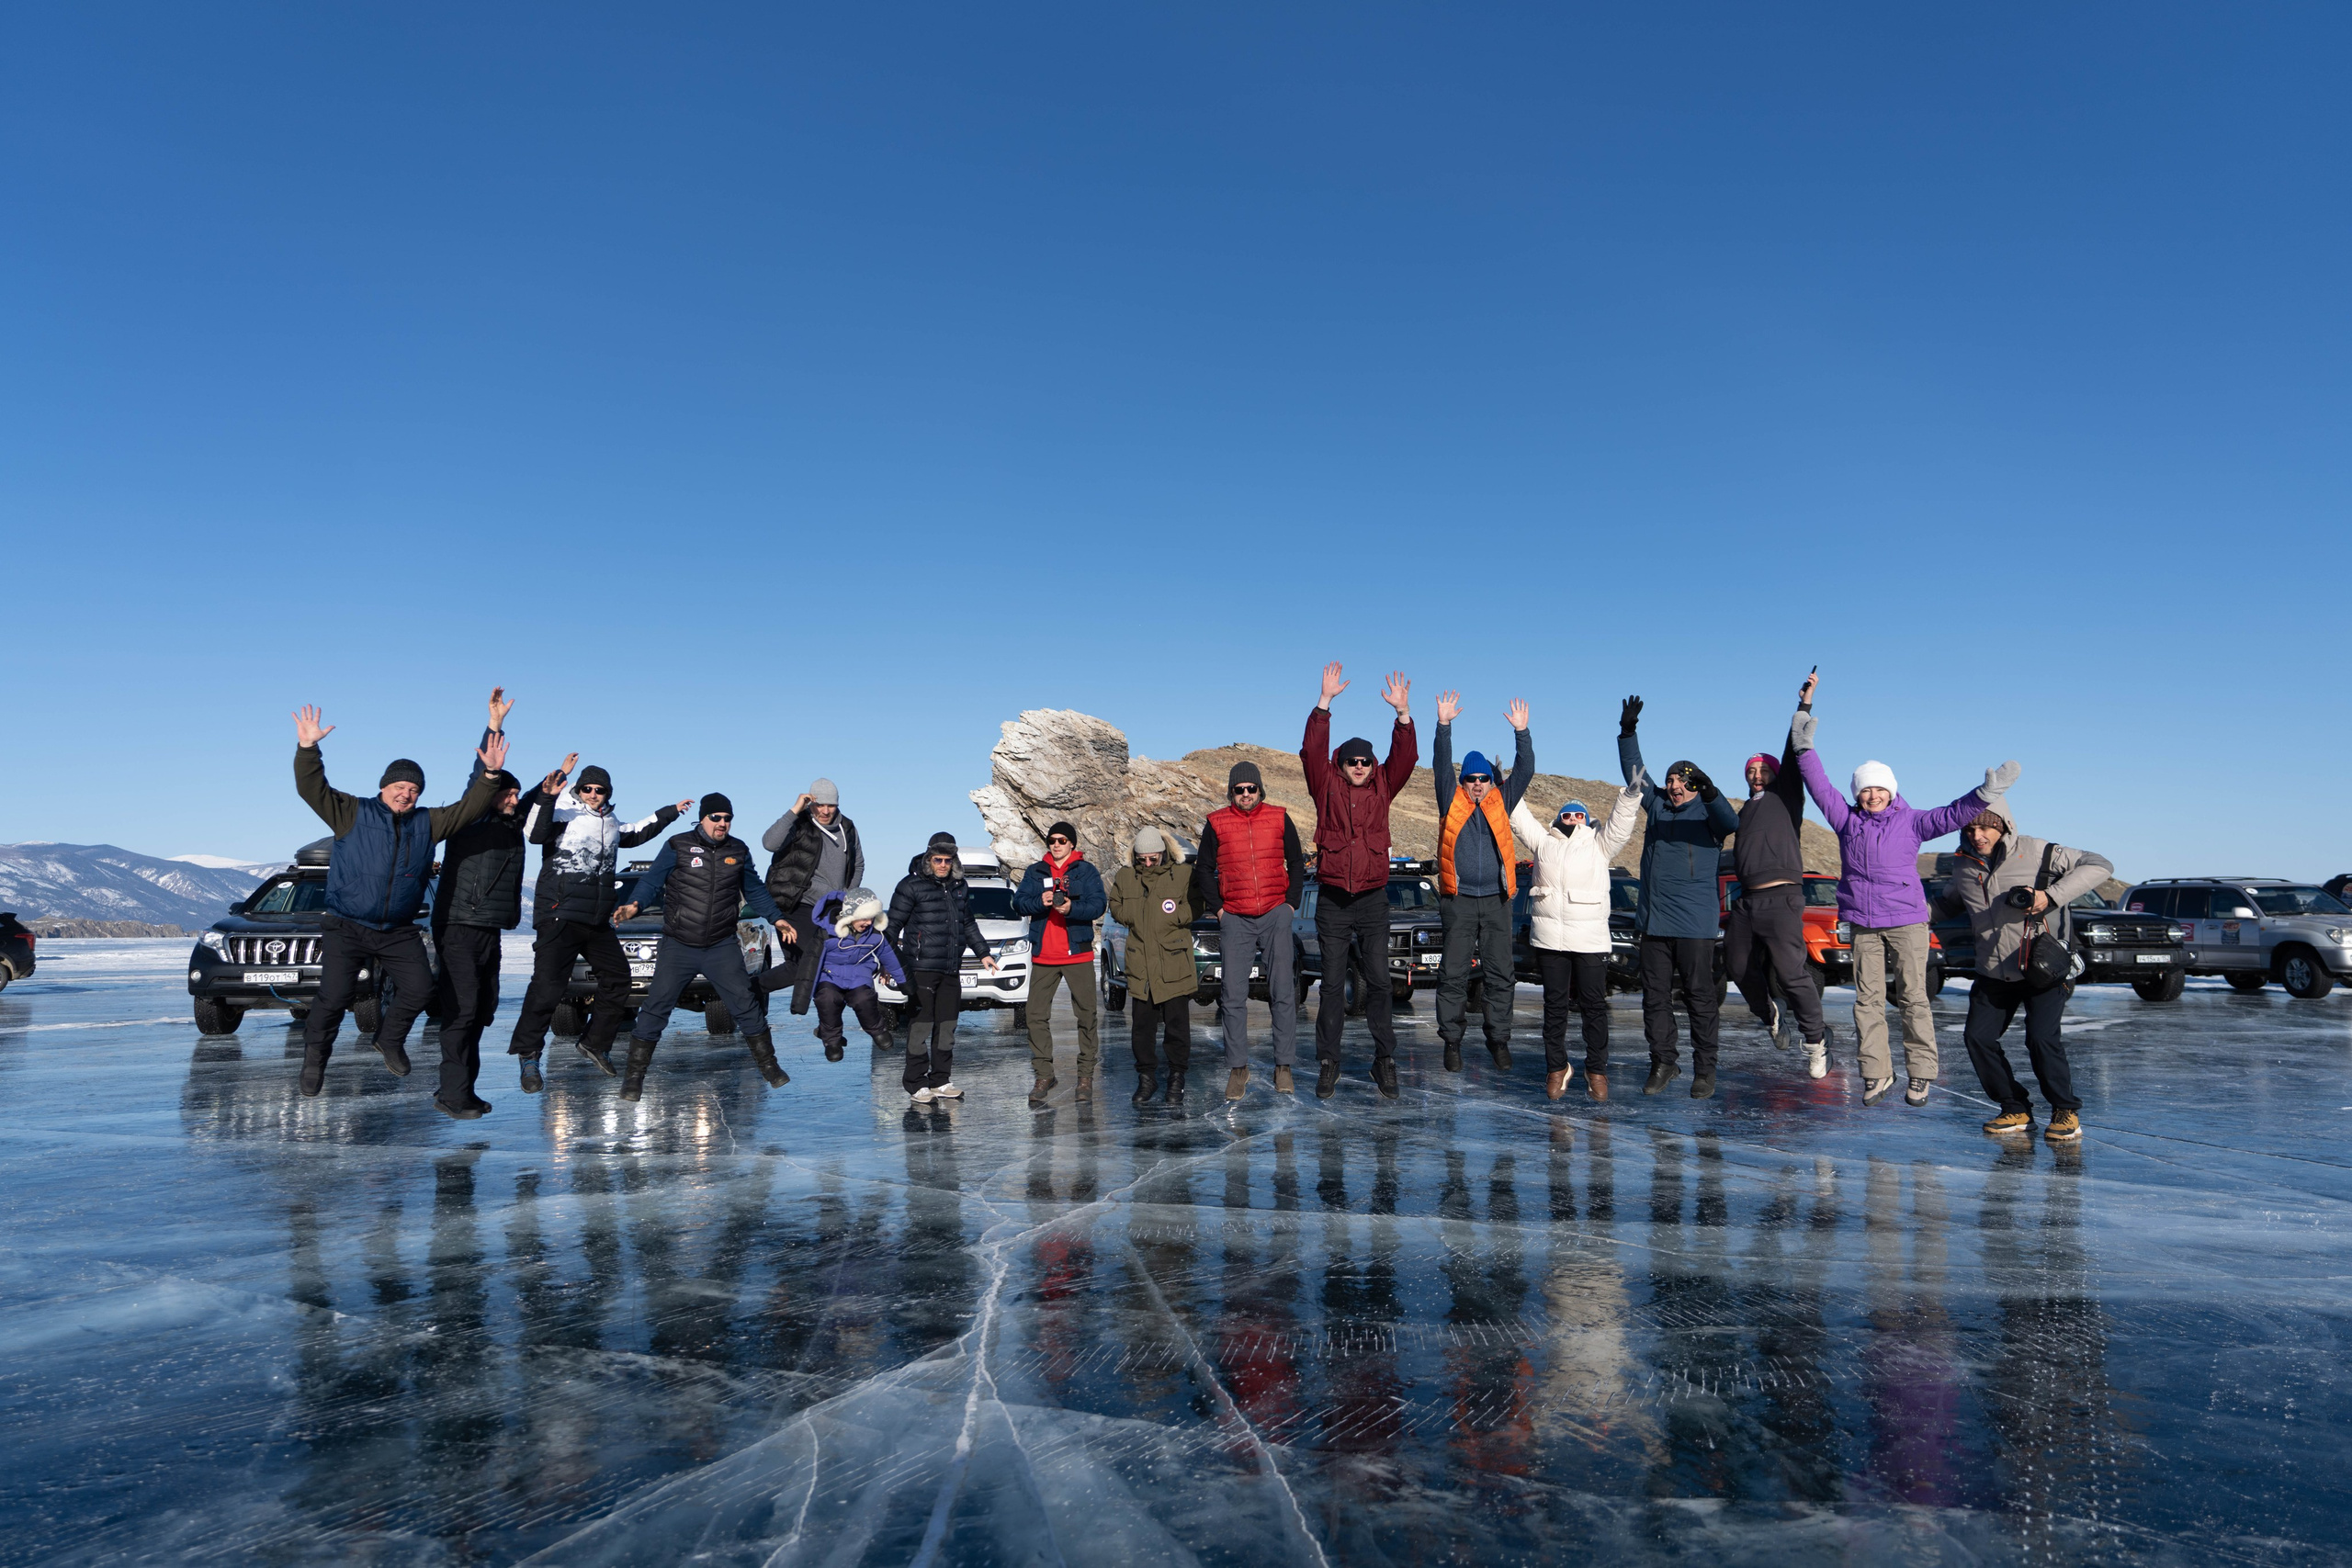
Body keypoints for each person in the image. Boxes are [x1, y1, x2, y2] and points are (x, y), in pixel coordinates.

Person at [1792, 685, 2018, 1107]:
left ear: (1891, 791)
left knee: (1914, 998)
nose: (1872, 796)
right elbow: (1817, 784)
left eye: (1879, 789)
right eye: (1865, 790)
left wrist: (1986, 794)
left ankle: (1921, 1072)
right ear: (1857, 794)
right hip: (1863, 924)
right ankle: (1876, 1073)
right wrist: (1804, 744)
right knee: (1868, 1002)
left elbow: (1955, 813)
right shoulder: (1845, 820)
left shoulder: (1912, 822)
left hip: (1908, 922)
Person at [289, 704, 505, 1099]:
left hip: (396, 929)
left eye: (414, 789)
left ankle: (388, 1039)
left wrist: (490, 770)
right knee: (334, 998)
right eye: (400, 787)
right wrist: (308, 749)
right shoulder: (351, 812)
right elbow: (311, 787)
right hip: (347, 925)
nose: (406, 794)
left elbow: (471, 805)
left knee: (422, 988)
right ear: (383, 788)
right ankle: (314, 1060)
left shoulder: (428, 823)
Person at [428, 687, 570, 1117]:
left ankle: (463, 1089)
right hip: (457, 924)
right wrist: (494, 726)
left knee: (483, 1010)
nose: (511, 799)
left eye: (514, 795)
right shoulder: (471, 817)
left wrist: (547, 788)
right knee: (463, 1009)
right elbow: (480, 780)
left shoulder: (511, 820)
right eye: (505, 794)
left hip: (489, 927)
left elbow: (530, 801)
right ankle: (451, 1092)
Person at [1935, 799, 2109, 1143]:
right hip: (1992, 970)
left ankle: (2065, 1110)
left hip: (2041, 967)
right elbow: (1947, 904)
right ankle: (2014, 1107)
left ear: (2003, 825)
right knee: (1978, 1039)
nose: (1977, 835)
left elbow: (2100, 864)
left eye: (1984, 827)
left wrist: (2050, 895)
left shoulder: (2040, 852)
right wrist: (1894, 915)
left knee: (2041, 1038)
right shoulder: (1964, 863)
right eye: (1970, 828)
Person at [507, 766, 690, 1080]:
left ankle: (594, 1042)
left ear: (608, 793)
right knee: (549, 986)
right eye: (587, 789)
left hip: (596, 920)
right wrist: (548, 797)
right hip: (559, 913)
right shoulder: (564, 814)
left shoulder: (611, 822)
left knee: (619, 978)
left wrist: (670, 812)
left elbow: (639, 831)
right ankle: (529, 1053)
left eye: (600, 790)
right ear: (579, 790)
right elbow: (535, 833)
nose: (593, 794)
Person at [609, 793, 794, 1101]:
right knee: (655, 1009)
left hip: (721, 946)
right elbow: (652, 882)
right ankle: (634, 1077)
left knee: (746, 1006)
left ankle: (769, 1066)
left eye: (727, 818)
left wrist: (778, 919)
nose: (722, 823)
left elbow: (756, 890)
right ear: (704, 818)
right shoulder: (677, 845)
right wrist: (634, 906)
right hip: (679, 945)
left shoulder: (738, 850)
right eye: (716, 817)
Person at [1300, 662, 1417, 1100]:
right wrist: (1324, 704)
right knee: (1331, 985)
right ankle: (1328, 1062)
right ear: (1342, 764)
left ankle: (1383, 1060)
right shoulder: (1325, 784)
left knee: (1381, 981)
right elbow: (1312, 752)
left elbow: (1405, 757)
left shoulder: (1384, 785)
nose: (1360, 767)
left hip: (1371, 899)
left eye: (1366, 761)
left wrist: (1403, 715)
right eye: (1352, 762)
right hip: (1333, 898)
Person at [1617, 695, 1740, 1098]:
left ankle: (1705, 1070)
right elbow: (1635, 774)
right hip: (1654, 924)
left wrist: (1711, 791)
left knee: (1700, 997)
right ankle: (1664, 1062)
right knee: (1654, 999)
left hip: (1693, 926)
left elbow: (1730, 820)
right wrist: (1628, 733)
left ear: (1693, 785)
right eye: (1669, 780)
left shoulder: (1708, 817)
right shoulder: (1656, 808)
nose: (1672, 786)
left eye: (1680, 780)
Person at [1726, 671, 1834, 1080]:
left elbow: (1791, 754)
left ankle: (1816, 1040)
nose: (1757, 774)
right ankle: (1768, 1012)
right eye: (1751, 770)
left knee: (1791, 973)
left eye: (1763, 769)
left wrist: (1804, 704)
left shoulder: (1785, 797)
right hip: (1748, 902)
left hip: (1783, 898)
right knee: (1737, 966)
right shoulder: (1745, 811)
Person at [1510, 780, 1642, 1100]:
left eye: (1578, 815)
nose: (1572, 819)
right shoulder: (1544, 842)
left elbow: (1621, 827)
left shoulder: (1599, 844)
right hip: (1550, 939)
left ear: (1587, 820)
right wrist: (1507, 787)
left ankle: (1596, 1069)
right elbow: (1519, 818)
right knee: (1554, 1007)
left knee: (1594, 1007)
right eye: (1567, 815)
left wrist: (1629, 795)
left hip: (1590, 940)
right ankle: (1557, 1067)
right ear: (1558, 819)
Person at [1432, 694, 1535, 1075]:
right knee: (1453, 973)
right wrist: (1444, 726)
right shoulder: (1451, 799)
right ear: (1463, 782)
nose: (1477, 784)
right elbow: (1441, 764)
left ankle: (1499, 1039)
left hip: (1495, 900)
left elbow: (1525, 770)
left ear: (1492, 781)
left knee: (1500, 973)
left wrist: (1522, 733)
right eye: (1471, 779)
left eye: (1483, 779)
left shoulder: (1501, 801)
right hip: (1458, 900)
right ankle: (1452, 1042)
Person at [1193, 766, 1306, 1100]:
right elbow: (1203, 868)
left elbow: (1297, 863)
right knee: (1232, 995)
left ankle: (1283, 1067)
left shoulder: (1280, 818)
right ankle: (1238, 1068)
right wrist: (1219, 910)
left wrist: (1290, 906)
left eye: (1252, 788)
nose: (1246, 794)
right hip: (1236, 917)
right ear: (1231, 792)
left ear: (1261, 790)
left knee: (1283, 991)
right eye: (1239, 789)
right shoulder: (1216, 823)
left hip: (1275, 912)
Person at [888, 832, 996, 1102]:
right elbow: (892, 927)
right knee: (921, 1027)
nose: (943, 865)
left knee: (947, 1027)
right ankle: (915, 1083)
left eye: (948, 860)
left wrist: (983, 952)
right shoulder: (910, 886)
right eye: (938, 859)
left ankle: (941, 1081)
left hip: (950, 969)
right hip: (921, 968)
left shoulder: (959, 887)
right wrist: (886, 962)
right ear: (929, 858)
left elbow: (968, 923)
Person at [1014, 822, 1109, 1107]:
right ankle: (1044, 1075)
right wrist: (1039, 902)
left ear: (1072, 844)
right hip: (1044, 955)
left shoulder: (1086, 870)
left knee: (1087, 1016)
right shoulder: (1035, 871)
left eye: (1062, 840)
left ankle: (1085, 1076)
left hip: (1077, 953)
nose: (1056, 845)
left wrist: (1071, 908)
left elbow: (1098, 905)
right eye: (1052, 840)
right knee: (1035, 1015)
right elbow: (1018, 904)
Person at [1106, 827, 1202, 1106]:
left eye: (1153, 859)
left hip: (1173, 963)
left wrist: (1174, 918)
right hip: (1140, 965)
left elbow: (1197, 905)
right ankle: (1146, 1078)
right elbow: (1115, 904)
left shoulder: (1183, 874)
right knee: (1142, 1029)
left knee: (1177, 1027)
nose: (1147, 864)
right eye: (1142, 859)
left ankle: (1176, 1077)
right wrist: (1132, 916)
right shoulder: (1126, 877)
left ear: (1164, 854)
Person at [760, 780, 865, 1016]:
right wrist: (795, 809)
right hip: (795, 904)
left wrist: (847, 895)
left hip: (831, 909)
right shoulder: (798, 824)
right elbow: (769, 843)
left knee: (798, 967)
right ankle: (828, 1024)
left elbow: (858, 864)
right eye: (820, 805)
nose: (826, 811)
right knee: (822, 961)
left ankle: (749, 990)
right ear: (811, 802)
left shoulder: (847, 828)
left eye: (831, 805)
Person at [805, 886, 907, 1063]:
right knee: (827, 999)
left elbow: (890, 957)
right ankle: (832, 1041)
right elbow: (812, 959)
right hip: (830, 975)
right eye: (864, 917)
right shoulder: (828, 932)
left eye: (871, 917)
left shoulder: (875, 935)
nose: (868, 922)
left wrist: (904, 982)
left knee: (864, 998)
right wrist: (805, 991)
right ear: (851, 915)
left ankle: (877, 1030)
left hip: (859, 974)